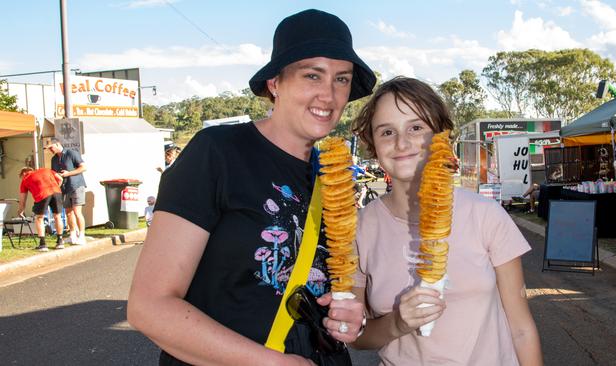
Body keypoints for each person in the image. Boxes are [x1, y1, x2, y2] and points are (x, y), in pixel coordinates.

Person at [128, 9, 376, 366]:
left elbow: (338, 284)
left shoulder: (332, 177)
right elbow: (149, 307)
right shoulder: (218, 153)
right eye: (312, 75)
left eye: (341, 79)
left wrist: (354, 315)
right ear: (275, 83)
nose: (329, 94)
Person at [350, 77, 542, 365]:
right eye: (387, 132)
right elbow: (355, 334)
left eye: (416, 128)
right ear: (373, 145)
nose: (402, 142)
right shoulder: (359, 228)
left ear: (440, 137)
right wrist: (397, 324)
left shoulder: (485, 215)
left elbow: (522, 330)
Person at [46, 138, 87, 245]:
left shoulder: (71, 153)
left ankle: (82, 236)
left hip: (76, 186)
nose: (50, 150)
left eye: (51, 147)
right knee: (68, 213)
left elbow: (83, 168)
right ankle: (73, 235)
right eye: (48, 148)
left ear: (57, 144)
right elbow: (54, 174)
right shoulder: (54, 159)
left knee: (77, 211)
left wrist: (68, 174)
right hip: (63, 188)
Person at [17, 167, 65, 251]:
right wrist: (56, 188)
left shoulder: (25, 179)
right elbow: (60, 179)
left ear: (24, 173)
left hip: (42, 195)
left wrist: (21, 210)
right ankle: (60, 241)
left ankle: (43, 244)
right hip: (57, 192)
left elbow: (22, 199)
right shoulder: (45, 170)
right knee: (57, 216)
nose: (21, 178)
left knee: (39, 218)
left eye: (21, 176)